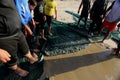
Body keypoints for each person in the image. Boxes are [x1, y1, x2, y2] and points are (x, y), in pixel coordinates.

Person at [0, 0, 38, 77]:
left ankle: (31, 58)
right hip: (4, 37)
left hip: (17, 30)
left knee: (25, 48)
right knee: (11, 58)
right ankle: (17, 69)